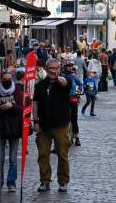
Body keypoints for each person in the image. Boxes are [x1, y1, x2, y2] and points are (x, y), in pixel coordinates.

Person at [32, 58, 72, 193]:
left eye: (56, 68)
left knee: (62, 154)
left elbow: (66, 83)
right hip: (43, 125)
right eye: (51, 69)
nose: (53, 71)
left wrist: (61, 79)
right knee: (43, 154)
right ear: (46, 69)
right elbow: (35, 103)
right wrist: (35, 121)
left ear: (59, 69)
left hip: (61, 125)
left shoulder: (63, 83)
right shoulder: (40, 85)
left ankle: (63, 181)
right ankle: (45, 181)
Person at [0, 72, 23, 192]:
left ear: (12, 79)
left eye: (9, 79)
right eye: (4, 79)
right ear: (1, 80)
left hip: (14, 128)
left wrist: (11, 106)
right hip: (0, 128)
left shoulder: (18, 91)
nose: (6, 81)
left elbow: (22, 108)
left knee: (13, 158)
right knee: (0, 158)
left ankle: (11, 183)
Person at [61, 61, 83, 146]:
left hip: (73, 99)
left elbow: (80, 84)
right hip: (63, 100)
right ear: (65, 67)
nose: (70, 67)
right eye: (68, 66)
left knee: (74, 119)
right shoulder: (61, 76)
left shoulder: (73, 76)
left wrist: (79, 91)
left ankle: (77, 138)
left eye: (71, 66)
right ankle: (57, 143)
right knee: (62, 119)